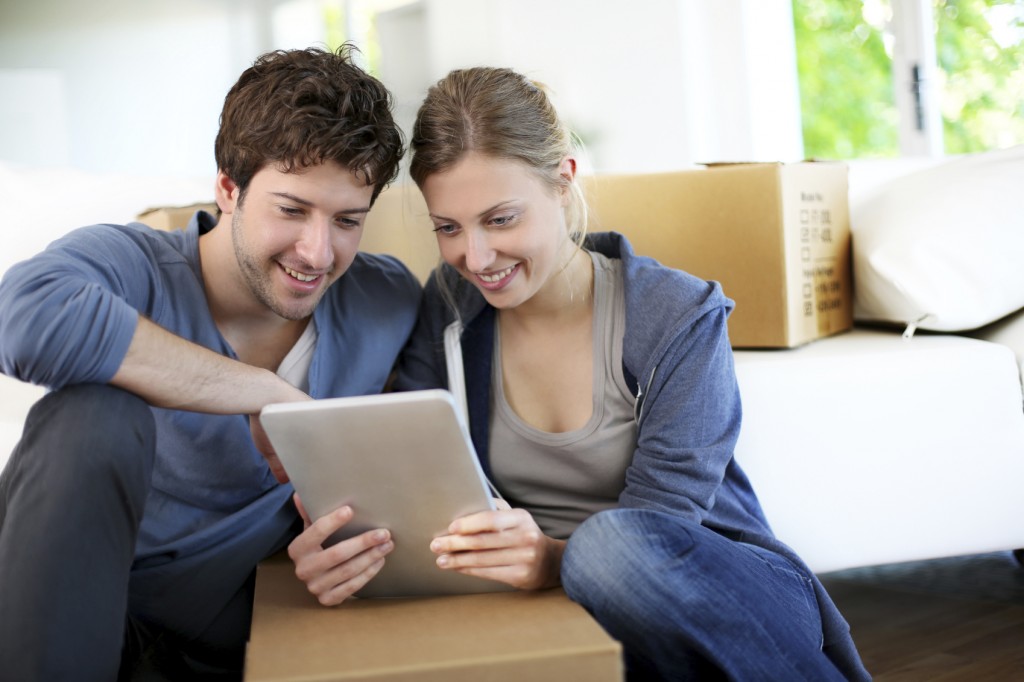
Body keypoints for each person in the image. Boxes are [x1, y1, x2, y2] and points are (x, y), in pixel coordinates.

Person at [390, 67, 869, 680]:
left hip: (717, 589)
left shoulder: (678, 314)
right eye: (448, 229)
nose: (475, 258)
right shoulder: (451, 307)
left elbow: (664, 525)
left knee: (607, 549)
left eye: (502, 219)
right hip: (554, 609)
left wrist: (550, 560)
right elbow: (414, 472)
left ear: (563, 182)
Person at [0, 46, 420, 680]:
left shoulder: (386, 301)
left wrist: (349, 548)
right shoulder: (133, 265)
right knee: (94, 412)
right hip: (76, 619)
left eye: (347, 221)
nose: (317, 251)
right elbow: (23, 317)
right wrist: (261, 392)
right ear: (229, 188)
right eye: (291, 209)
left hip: (240, 637)